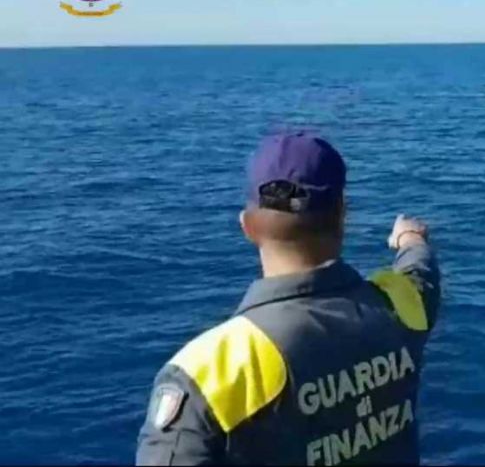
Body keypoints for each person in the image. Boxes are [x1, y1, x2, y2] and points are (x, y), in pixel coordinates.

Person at [136, 131, 442, 465]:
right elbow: (419, 271)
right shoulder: (401, 307)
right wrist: (410, 237)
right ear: (343, 214)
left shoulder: (208, 373)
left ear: (247, 227)